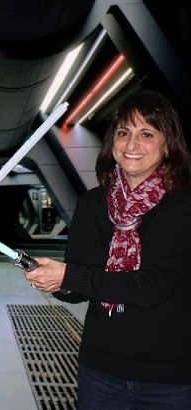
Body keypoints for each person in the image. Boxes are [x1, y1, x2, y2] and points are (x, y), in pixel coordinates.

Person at [25, 90, 191, 409]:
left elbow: (152, 285)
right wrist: (53, 281)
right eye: (123, 133)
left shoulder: (182, 206)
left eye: (147, 134)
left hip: (170, 379)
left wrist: (70, 276)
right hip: (100, 372)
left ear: (168, 145)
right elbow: (79, 288)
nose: (131, 145)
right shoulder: (92, 204)